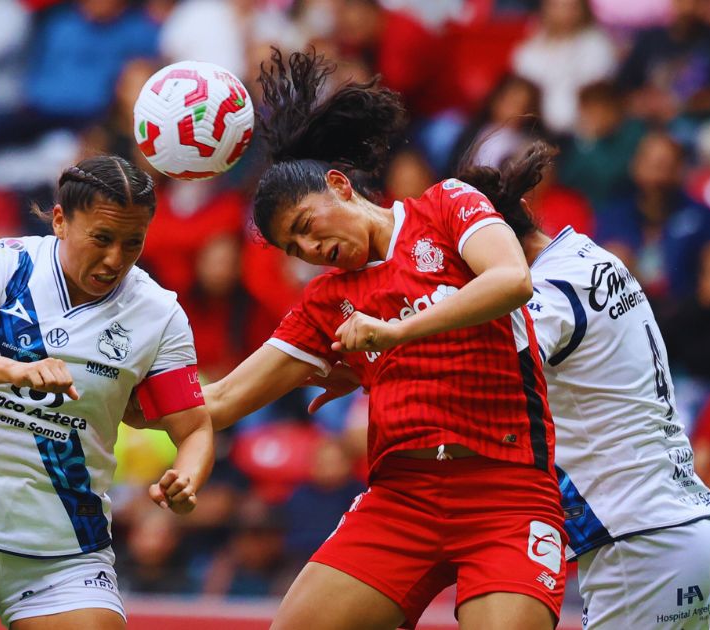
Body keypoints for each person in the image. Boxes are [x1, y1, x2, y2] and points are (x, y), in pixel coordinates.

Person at [147, 49, 567, 630]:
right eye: (296, 251)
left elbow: (510, 280)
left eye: (306, 227)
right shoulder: (326, 302)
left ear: (341, 187)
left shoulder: (445, 206)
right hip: (402, 499)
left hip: (507, 488)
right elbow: (214, 402)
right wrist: (94, 387)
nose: (311, 251)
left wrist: (392, 334)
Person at [315, 173, 710, 628]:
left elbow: (471, 365)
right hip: (688, 526)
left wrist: (372, 360)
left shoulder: (547, 292)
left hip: (638, 537)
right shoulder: (590, 255)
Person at [0, 155, 214, 630]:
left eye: (132, 243)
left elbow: (195, 427)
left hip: (68, 558)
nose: (114, 259)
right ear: (60, 220)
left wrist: (187, 476)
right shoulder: (5, 261)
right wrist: (15, 371)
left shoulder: (159, 314)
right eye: (101, 238)